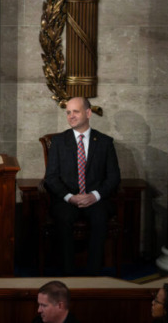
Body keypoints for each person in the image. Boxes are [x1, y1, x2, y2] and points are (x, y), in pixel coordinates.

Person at [43, 97, 120, 276]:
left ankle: (93, 275)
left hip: (96, 199)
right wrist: (70, 197)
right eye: (68, 112)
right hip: (67, 199)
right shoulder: (59, 142)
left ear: (88, 113)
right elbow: (51, 178)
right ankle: (68, 275)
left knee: (100, 217)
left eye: (75, 111)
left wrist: (95, 195)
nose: (71, 116)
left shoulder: (104, 142)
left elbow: (114, 177)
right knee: (63, 218)